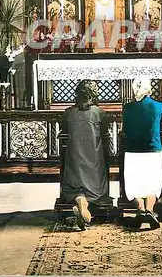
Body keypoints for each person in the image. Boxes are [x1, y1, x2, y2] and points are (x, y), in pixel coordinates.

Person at [59, 80, 111, 230]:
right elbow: (105, 134)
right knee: (97, 187)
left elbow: (64, 132)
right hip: (93, 158)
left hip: (75, 158)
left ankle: (80, 200)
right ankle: (87, 201)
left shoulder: (69, 112)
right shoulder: (99, 112)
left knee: (73, 186)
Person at [122, 76, 162, 229]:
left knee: (134, 185)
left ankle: (141, 210)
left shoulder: (127, 108)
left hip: (133, 152)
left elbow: (126, 130)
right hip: (153, 150)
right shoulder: (159, 106)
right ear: (149, 89)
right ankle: (149, 210)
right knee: (153, 184)